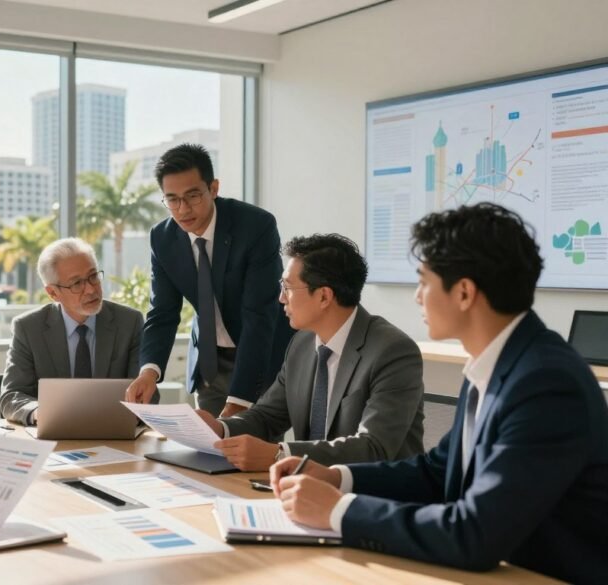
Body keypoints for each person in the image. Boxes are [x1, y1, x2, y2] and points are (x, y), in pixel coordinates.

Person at [270, 204, 608, 584]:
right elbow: (437, 472)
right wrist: (338, 477)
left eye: (424, 281)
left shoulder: (545, 383)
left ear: (464, 292)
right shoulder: (496, 363)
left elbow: (476, 533)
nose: (417, 297)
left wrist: (340, 512)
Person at [197, 234, 424, 468]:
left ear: (324, 296)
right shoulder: (301, 344)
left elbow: (373, 447)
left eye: (288, 287)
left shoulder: (392, 351)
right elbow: (267, 417)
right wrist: (220, 428)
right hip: (311, 489)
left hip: (374, 495)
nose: (281, 298)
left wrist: (280, 454)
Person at [125, 143, 293, 417]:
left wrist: (239, 400)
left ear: (213, 188)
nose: (183, 209)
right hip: (209, 361)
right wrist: (149, 372)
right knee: (207, 449)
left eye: (192, 196)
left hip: (262, 355)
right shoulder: (163, 237)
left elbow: (259, 316)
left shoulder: (255, 226)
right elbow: (163, 312)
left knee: (252, 449)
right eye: (172, 199)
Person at [0, 238, 144, 425]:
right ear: (53, 293)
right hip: (53, 439)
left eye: (93, 276)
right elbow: (11, 396)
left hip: (113, 435)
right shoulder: (28, 328)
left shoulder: (129, 322)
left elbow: (147, 393)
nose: (91, 289)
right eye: (77, 284)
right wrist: (38, 412)